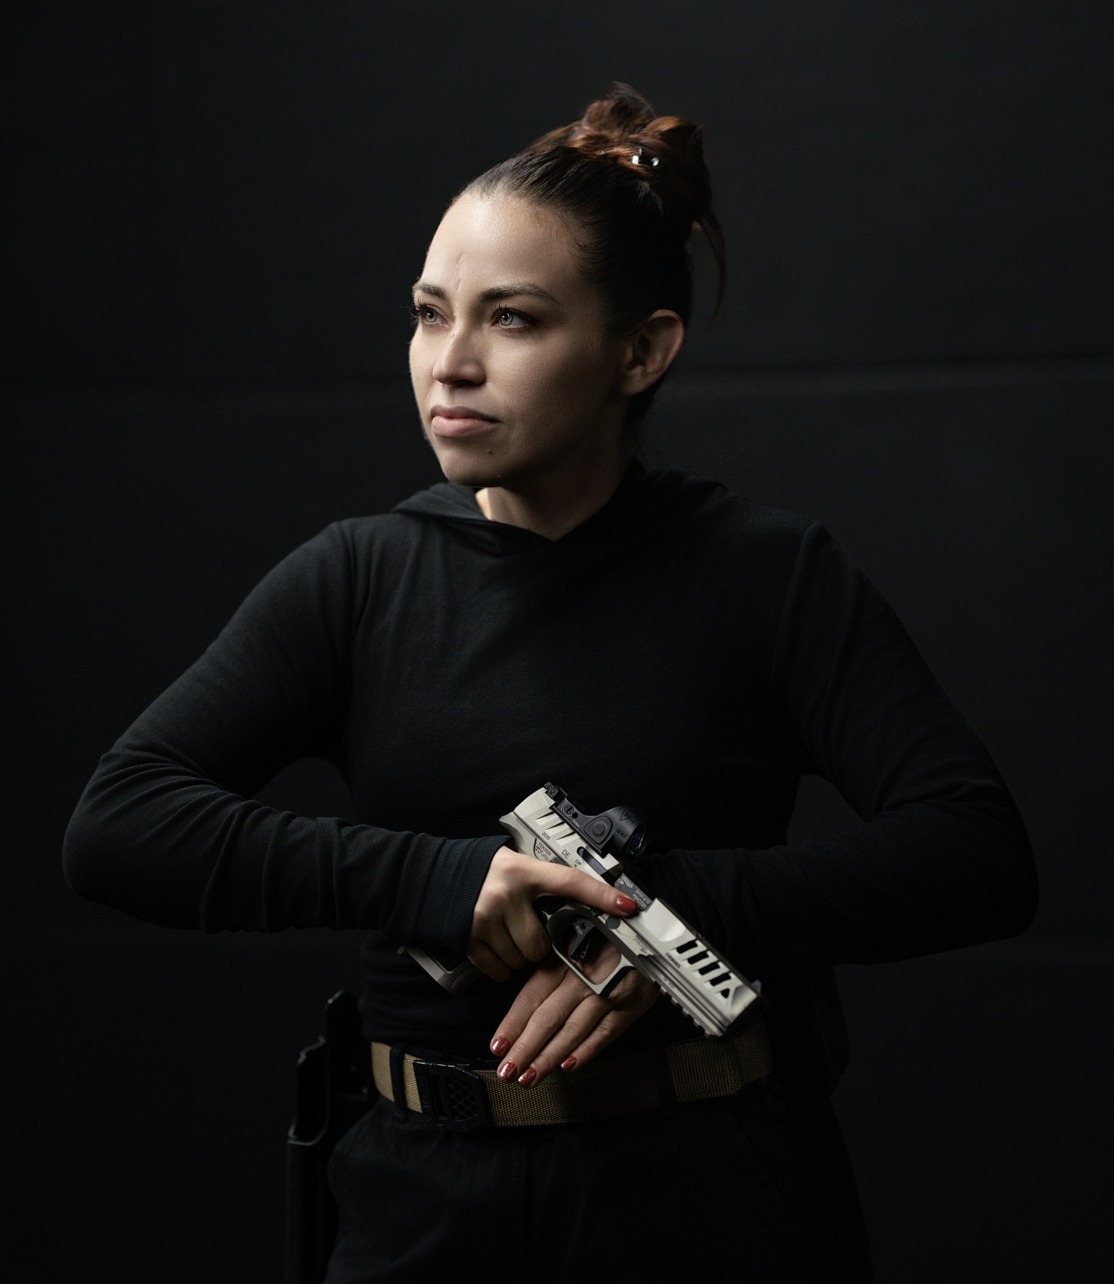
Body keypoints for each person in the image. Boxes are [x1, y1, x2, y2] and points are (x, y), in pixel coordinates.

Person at [63, 84, 1038, 1282]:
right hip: (418, 1205)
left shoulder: (766, 574)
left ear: (640, 350)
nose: (452, 365)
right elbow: (118, 826)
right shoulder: (357, 577)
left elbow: (976, 856)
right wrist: (439, 879)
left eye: (512, 319)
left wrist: (656, 923)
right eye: (430, 316)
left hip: (712, 1203)